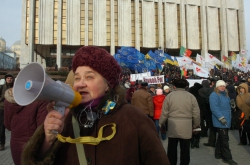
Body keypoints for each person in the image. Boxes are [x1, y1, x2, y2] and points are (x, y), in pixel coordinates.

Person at [21, 46, 170, 165]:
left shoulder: (134, 118)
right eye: (77, 78)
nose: (80, 84)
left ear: (107, 84)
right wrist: (47, 139)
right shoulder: (65, 118)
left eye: (89, 77)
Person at [159, 78, 200, 165]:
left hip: (173, 125)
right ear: (185, 86)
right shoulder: (191, 96)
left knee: (172, 150)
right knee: (185, 150)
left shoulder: (169, 96)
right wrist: (196, 125)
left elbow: (164, 112)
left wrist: (161, 123)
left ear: (174, 86)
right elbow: (196, 113)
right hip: (186, 125)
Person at [4, 88, 48, 165]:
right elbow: (42, 129)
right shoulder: (42, 100)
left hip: (15, 144)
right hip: (34, 145)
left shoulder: (8, 101)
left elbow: (8, 126)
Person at [209, 80, 237, 165]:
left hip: (227, 120)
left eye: (224, 86)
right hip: (220, 120)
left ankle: (218, 154)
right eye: (220, 86)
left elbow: (228, 107)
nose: (222, 87)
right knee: (224, 139)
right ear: (217, 87)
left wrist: (232, 105)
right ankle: (227, 158)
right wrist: (221, 118)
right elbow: (214, 108)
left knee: (222, 137)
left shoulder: (225, 95)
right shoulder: (214, 95)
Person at [0, 73, 14, 151]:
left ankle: (14, 143)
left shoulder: (15, 88)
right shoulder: (1, 87)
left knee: (14, 127)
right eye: (8, 78)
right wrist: (3, 99)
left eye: (10, 78)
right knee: (1, 128)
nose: (9, 79)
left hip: (12, 109)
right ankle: (2, 143)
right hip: (2, 109)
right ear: (5, 79)